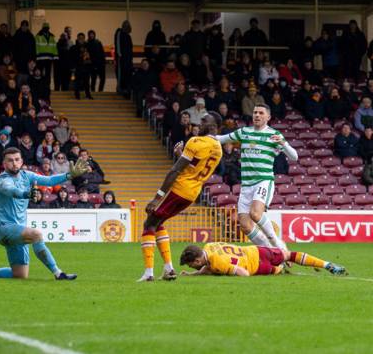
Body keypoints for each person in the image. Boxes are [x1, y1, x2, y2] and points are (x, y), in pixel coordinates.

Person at [0, 147, 89, 280]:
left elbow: (49, 180)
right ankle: (58, 273)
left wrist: (69, 175)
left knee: (20, 275)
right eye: (10, 161)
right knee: (36, 234)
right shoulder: (2, 180)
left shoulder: (26, 175)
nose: (14, 163)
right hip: (4, 228)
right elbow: (11, 190)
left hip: (18, 229)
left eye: (17, 160)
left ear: (22, 161)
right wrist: (26, 194)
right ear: (4, 164)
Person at [137, 113, 223, 282]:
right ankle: (168, 269)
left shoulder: (196, 141)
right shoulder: (218, 148)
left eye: (204, 121)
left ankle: (149, 273)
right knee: (158, 222)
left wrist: (157, 198)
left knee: (149, 223)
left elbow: (175, 170)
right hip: (192, 193)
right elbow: (194, 167)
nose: (200, 123)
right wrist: (181, 155)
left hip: (180, 189)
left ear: (214, 126)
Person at [216, 104, 298, 252]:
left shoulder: (274, 135)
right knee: (245, 225)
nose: (257, 115)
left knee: (255, 214)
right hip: (246, 185)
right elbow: (220, 139)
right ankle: (271, 251)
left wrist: (283, 143)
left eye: (261, 113)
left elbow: (294, 157)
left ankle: (279, 246)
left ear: (268, 117)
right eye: (255, 113)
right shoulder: (244, 132)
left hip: (263, 180)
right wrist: (199, 140)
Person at [179, 242, 346, 277]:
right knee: (289, 255)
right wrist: (193, 275)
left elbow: (243, 273)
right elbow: (207, 267)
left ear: (197, 261)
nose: (192, 266)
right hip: (257, 250)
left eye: (191, 264)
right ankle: (327, 264)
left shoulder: (217, 263)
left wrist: (226, 273)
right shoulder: (209, 246)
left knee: (278, 270)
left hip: (258, 266)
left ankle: (279, 269)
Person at [70, 32, 94, 100]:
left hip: (86, 67)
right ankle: (77, 95)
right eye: (80, 38)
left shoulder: (88, 47)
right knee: (77, 82)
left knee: (87, 82)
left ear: (84, 39)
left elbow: (91, 57)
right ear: (77, 39)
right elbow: (71, 58)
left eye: (82, 38)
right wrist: (73, 67)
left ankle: (88, 95)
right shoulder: (74, 48)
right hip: (78, 67)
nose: (81, 40)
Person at [35, 22, 58, 89]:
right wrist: (36, 56)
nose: (46, 29)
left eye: (47, 28)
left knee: (48, 74)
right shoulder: (38, 36)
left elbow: (54, 47)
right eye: (45, 28)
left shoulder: (52, 37)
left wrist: (55, 57)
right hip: (40, 58)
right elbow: (36, 47)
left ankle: (47, 86)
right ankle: (40, 86)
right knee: (40, 73)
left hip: (49, 58)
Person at [114, 20, 133, 97]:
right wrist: (119, 55)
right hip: (122, 59)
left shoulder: (128, 36)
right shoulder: (119, 33)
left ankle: (126, 90)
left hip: (128, 59)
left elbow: (130, 49)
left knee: (127, 75)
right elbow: (118, 45)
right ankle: (120, 89)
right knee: (121, 74)